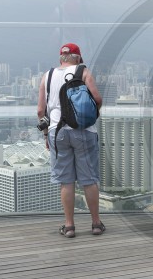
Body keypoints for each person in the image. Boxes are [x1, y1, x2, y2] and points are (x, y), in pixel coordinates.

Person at [37, 43, 104, 238]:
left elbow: (41, 111)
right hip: (84, 130)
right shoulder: (83, 71)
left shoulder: (47, 75)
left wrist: (46, 136)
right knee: (89, 179)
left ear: (61, 58)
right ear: (78, 57)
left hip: (57, 132)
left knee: (66, 181)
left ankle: (69, 227)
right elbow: (97, 98)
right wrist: (91, 116)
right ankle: (96, 224)